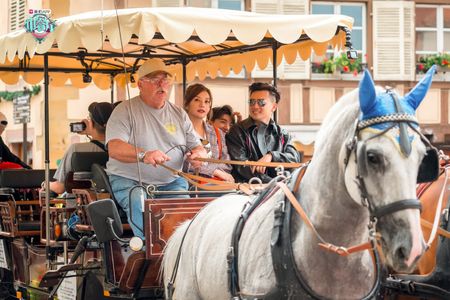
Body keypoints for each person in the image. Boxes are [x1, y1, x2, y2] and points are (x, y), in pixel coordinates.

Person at [106, 58, 206, 238]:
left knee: (184, 217)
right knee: (139, 202)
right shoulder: (124, 110)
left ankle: (178, 255)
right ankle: (149, 253)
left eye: (165, 79)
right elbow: (114, 148)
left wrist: (198, 155)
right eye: (154, 80)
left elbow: (197, 147)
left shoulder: (178, 113)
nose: (161, 84)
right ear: (140, 84)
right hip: (131, 181)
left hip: (171, 183)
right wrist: (145, 154)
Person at [226, 82, 301, 183]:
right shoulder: (237, 131)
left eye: (261, 102)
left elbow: (294, 158)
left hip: (280, 191)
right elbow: (242, 167)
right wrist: (275, 184)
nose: (255, 106)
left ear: (274, 107)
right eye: (252, 102)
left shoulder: (283, 134)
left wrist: (271, 156)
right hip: (247, 192)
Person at [50, 102, 114, 194]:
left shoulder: (76, 149)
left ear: (91, 123)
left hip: (80, 205)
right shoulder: (121, 149)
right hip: (112, 202)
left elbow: (60, 188)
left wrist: (45, 184)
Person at [183, 84, 234, 182]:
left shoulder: (217, 132)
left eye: (207, 101)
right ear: (187, 104)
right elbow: (186, 164)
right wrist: (216, 172)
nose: (202, 105)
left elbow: (226, 163)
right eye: (197, 100)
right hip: (191, 183)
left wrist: (219, 173)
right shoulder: (180, 131)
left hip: (217, 182)